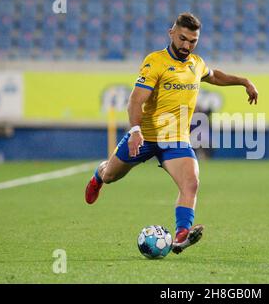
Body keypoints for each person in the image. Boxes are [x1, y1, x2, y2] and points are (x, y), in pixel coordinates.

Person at [85, 13, 258, 254]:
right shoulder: (155, 62)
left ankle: (181, 234)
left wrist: (244, 81)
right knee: (111, 175)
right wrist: (135, 132)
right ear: (171, 33)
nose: (187, 45)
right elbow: (135, 101)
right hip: (144, 136)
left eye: (192, 41)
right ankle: (97, 176)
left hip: (176, 140)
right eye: (182, 38)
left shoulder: (196, 63)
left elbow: (214, 75)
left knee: (191, 183)